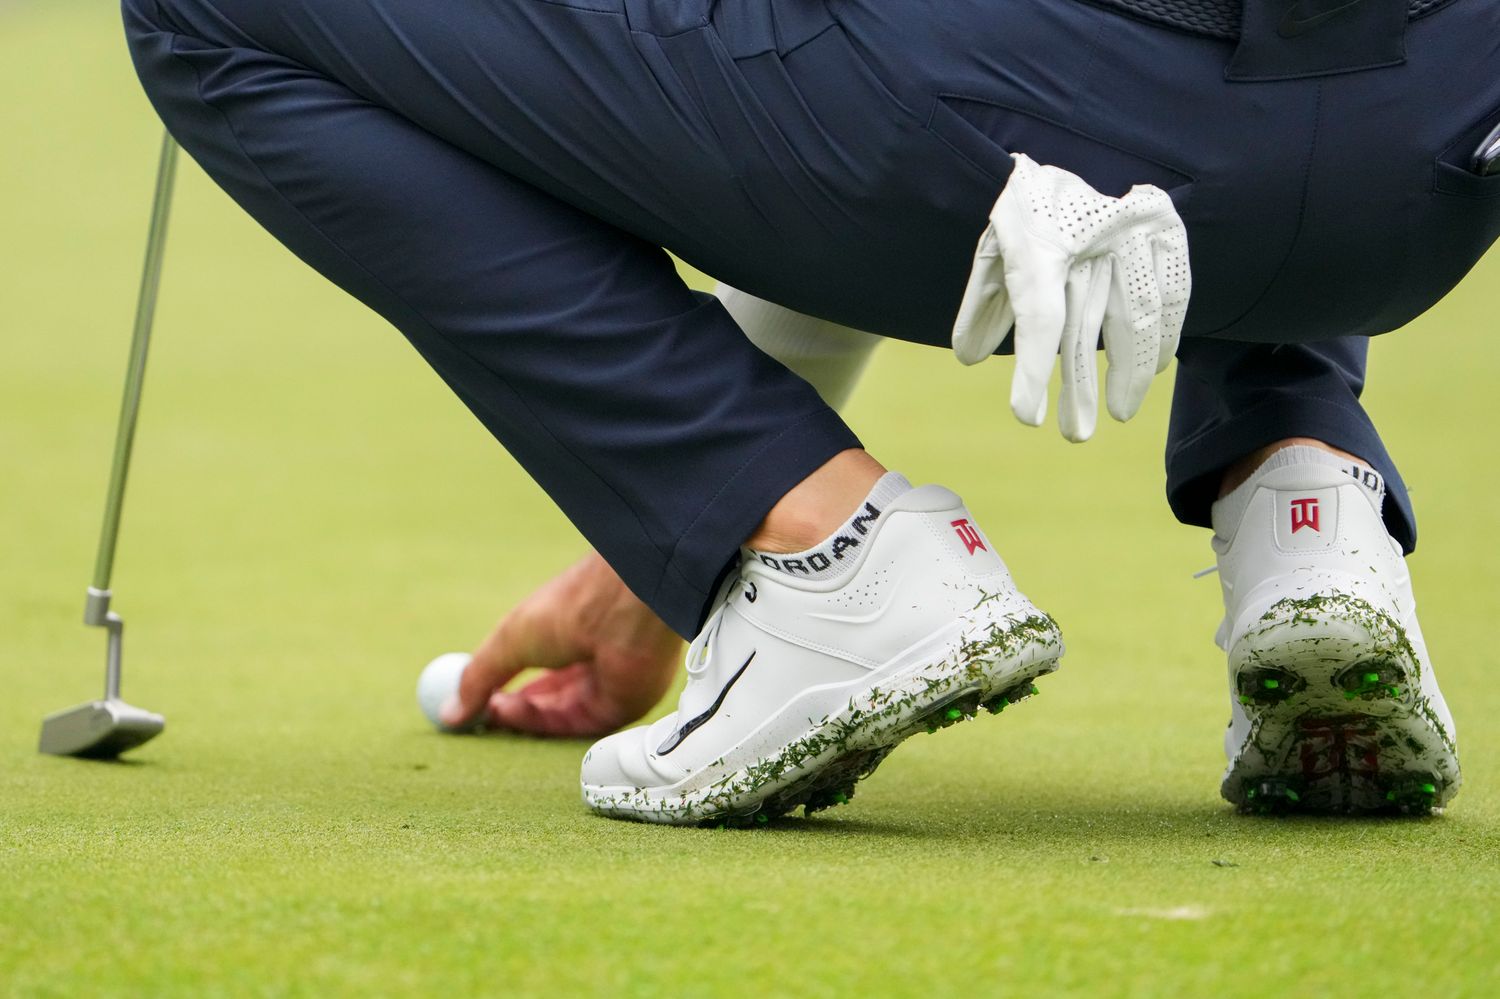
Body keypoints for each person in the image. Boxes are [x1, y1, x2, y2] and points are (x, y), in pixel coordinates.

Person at [121, 0, 1498, 823]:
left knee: (202, 8)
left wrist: (743, 488)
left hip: (1040, 117)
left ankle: (829, 566)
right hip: (1432, 168)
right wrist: (652, 558)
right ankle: (1307, 505)